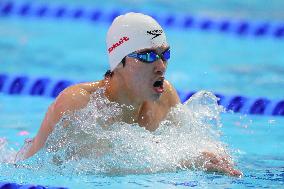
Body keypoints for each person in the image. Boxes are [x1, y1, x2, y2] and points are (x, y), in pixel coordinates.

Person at [17, 12, 242, 177]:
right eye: (147, 56)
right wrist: (187, 161)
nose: (161, 66)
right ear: (119, 63)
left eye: (165, 54)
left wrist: (212, 157)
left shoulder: (166, 97)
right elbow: (104, 165)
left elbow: (193, 141)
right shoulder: (80, 104)